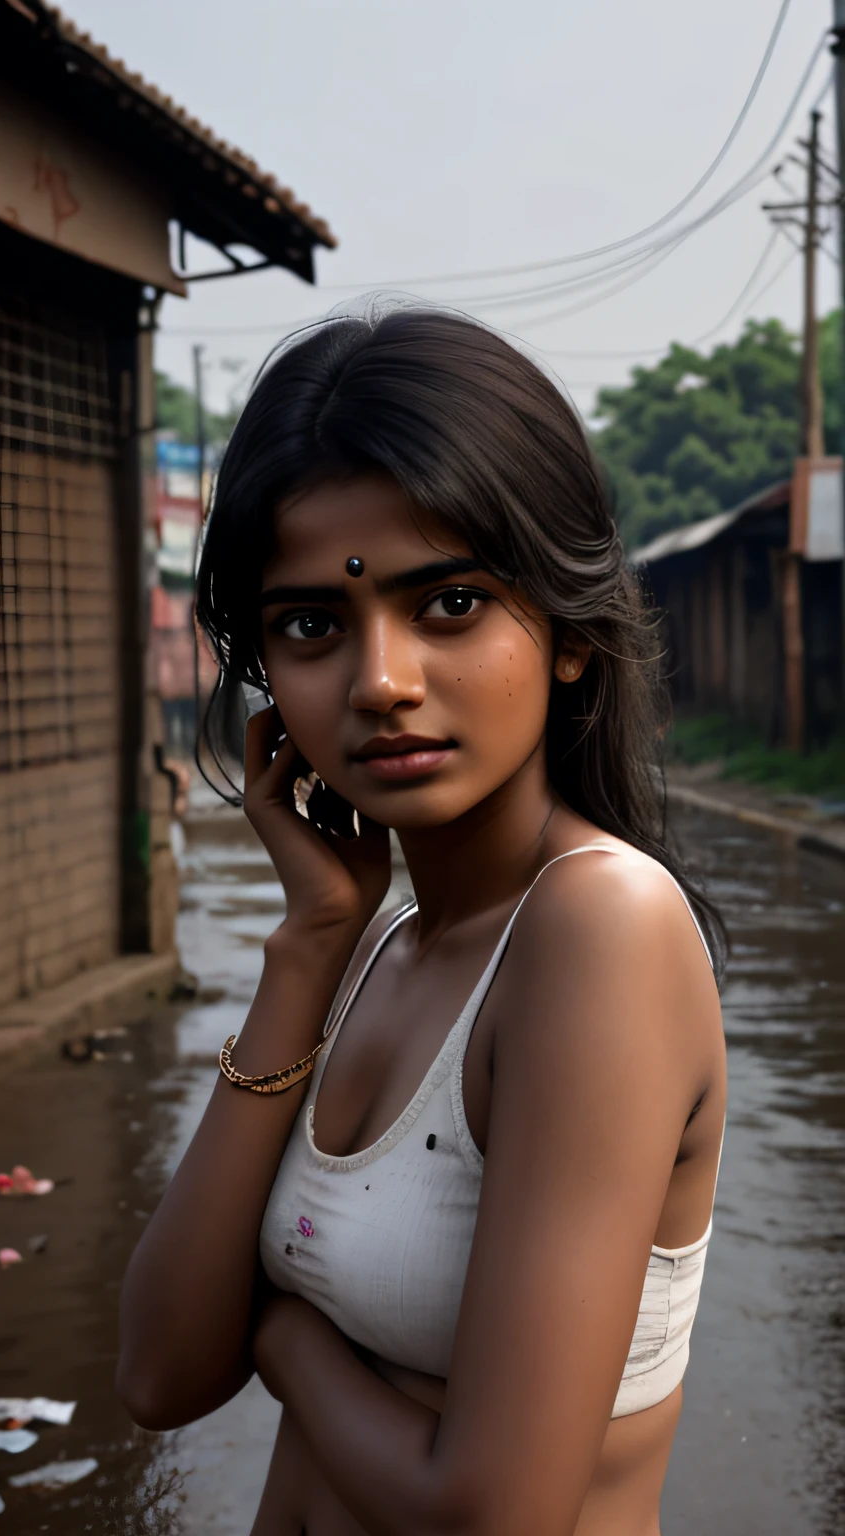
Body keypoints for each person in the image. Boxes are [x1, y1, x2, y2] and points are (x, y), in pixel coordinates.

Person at [117, 307, 727, 1536]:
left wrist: (282, 1338)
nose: (381, 679)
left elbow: (488, 1516)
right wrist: (307, 944)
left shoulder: (597, 930)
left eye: (446, 604)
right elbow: (160, 1375)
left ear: (563, 634)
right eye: (310, 624)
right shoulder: (380, 939)